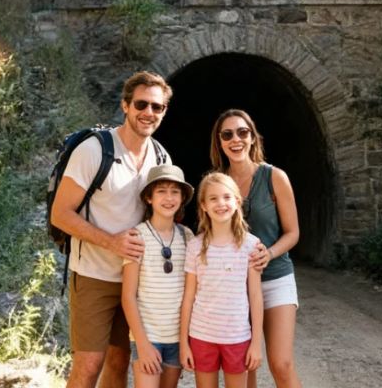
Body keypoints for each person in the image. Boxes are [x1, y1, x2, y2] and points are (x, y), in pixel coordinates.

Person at [50, 71, 173, 388]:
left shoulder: (160, 157)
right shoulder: (94, 150)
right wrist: (111, 243)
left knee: (119, 364)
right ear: (126, 105)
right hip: (93, 275)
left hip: (136, 281)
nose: (148, 113)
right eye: (141, 104)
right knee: (89, 366)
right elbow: (60, 214)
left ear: (164, 112)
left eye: (156, 107)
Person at [209, 109, 302, 388]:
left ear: (252, 137)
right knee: (243, 366)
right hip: (234, 285)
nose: (235, 139)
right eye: (227, 134)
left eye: (242, 132)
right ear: (220, 142)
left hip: (275, 277)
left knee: (281, 363)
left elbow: (293, 232)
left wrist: (269, 253)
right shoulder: (217, 183)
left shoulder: (275, 177)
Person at [179, 172, 264, 388]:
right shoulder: (195, 246)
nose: (221, 204)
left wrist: (256, 344)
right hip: (201, 336)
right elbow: (188, 297)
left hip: (237, 337)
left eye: (226, 197)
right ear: (204, 206)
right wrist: (183, 344)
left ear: (237, 201)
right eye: (213, 198)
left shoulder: (251, 245)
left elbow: (255, 297)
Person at [121, 164, 195, 388]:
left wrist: (186, 342)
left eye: (175, 192)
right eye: (161, 191)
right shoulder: (137, 236)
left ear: (182, 198)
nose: (169, 197)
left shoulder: (187, 237)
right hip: (147, 336)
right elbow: (128, 296)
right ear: (149, 198)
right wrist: (142, 344)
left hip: (177, 337)